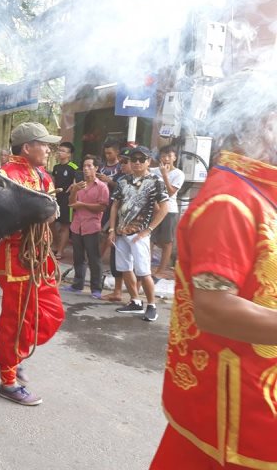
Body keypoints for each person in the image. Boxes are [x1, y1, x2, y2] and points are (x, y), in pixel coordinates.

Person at [150, 72, 277, 469]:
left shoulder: (257, 192)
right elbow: (214, 308)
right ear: (261, 122)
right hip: (236, 409)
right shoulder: (230, 200)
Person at [0, 122, 65, 406]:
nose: (48, 149)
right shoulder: (5, 177)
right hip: (17, 259)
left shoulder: (43, 176)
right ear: (27, 147)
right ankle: (8, 380)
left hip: (41, 256)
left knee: (52, 312)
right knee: (17, 319)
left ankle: (15, 355)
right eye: (44, 144)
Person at [108, 146, 168, 322]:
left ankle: (151, 305)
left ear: (149, 161)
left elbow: (164, 207)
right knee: (125, 268)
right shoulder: (123, 181)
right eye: (133, 159)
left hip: (139, 234)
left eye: (142, 159)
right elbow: (115, 206)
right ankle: (135, 301)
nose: (137, 163)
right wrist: (112, 229)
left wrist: (148, 230)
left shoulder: (155, 181)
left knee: (143, 271)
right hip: (120, 233)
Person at [63, 155, 109, 298]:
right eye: (84, 166)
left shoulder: (102, 187)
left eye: (89, 166)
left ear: (96, 168)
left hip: (92, 226)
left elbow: (102, 207)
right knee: (78, 257)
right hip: (77, 225)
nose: (86, 169)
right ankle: (78, 284)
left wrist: (82, 205)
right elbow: (71, 203)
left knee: (94, 258)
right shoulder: (79, 184)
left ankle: (96, 288)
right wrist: (75, 190)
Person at [101, 147, 134, 302]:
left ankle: (136, 296)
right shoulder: (121, 178)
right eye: (122, 162)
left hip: (135, 228)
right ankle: (118, 292)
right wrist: (111, 227)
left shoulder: (148, 181)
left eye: (126, 162)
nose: (123, 165)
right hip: (118, 225)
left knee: (136, 263)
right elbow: (114, 205)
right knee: (117, 260)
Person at [150, 145, 185, 280]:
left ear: (174, 158)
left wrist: (164, 175)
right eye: (163, 156)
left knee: (166, 242)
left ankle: (160, 271)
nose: (166, 159)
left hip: (169, 210)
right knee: (150, 240)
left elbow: (171, 192)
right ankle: (146, 270)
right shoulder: (153, 170)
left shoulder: (179, 174)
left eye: (169, 156)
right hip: (154, 210)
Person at [50, 141, 78, 259]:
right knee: (51, 222)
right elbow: (53, 181)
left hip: (67, 199)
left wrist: (73, 189)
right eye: (59, 150)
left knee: (64, 226)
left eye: (63, 151)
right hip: (56, 197)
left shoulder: (73, 167)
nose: (60, 153)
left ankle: (60, 251)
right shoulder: (56, 167)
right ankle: (55, 244)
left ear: (69, 154)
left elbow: (77, 183)